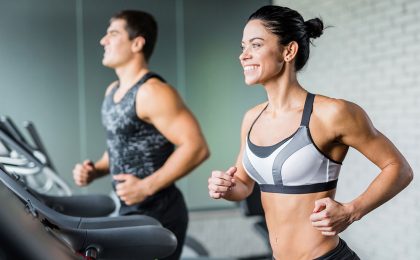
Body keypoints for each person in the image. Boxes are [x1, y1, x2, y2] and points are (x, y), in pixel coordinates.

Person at [208, 5, 413, 260]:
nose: (243, 55)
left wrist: (351, 211)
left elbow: (399, 168)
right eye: (243, 46)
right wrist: (226, 187)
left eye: (256, 45)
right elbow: (243, 186)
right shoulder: (252, 117)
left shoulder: (331, 113)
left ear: (289, 50)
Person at [73, 10, 209, 260]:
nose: (103, 40)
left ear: (137, 43)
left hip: (159, 213)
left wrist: (146, 187)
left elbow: (196, 147)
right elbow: (120, 146)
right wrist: (97, 169)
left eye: (113, 34)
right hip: (129, 210)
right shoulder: (112, 90)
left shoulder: (152, 91)